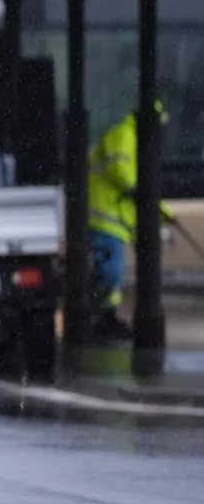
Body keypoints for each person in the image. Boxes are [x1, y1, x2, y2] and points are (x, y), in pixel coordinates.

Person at [89, 104, 171, 339]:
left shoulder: (135, 140)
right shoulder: (123, 134)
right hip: (105, 219)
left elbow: (139, 185)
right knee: (109, 273)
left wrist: (164, 212)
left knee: (111, 273)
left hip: (114, 222)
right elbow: (122, 172)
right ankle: (103, 319)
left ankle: (105, 317)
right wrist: (144, 195)